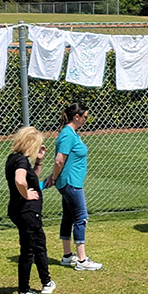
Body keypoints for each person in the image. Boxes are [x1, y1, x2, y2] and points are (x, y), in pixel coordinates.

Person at [6, 127, 55, 294]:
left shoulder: (15, 159)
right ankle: (24, 292)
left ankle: (46, 282)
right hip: (26, 211)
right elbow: (20, 180)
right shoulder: (20, 161)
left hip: (23, 211)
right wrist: (26, 194)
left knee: (39, 244)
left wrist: (39, 162)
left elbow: (29, 178)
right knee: (28, 250)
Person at [52, 103, 101, 271]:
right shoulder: (67, 135)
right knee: (81, 217)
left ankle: (67, 256)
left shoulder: (71, 134)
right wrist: (54, 177)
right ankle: (82, 260)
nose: (86, 120)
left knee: (69, 216)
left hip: (70, 182)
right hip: (71, 183)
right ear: (77, 117)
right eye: (85, 117)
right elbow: (59, 160)